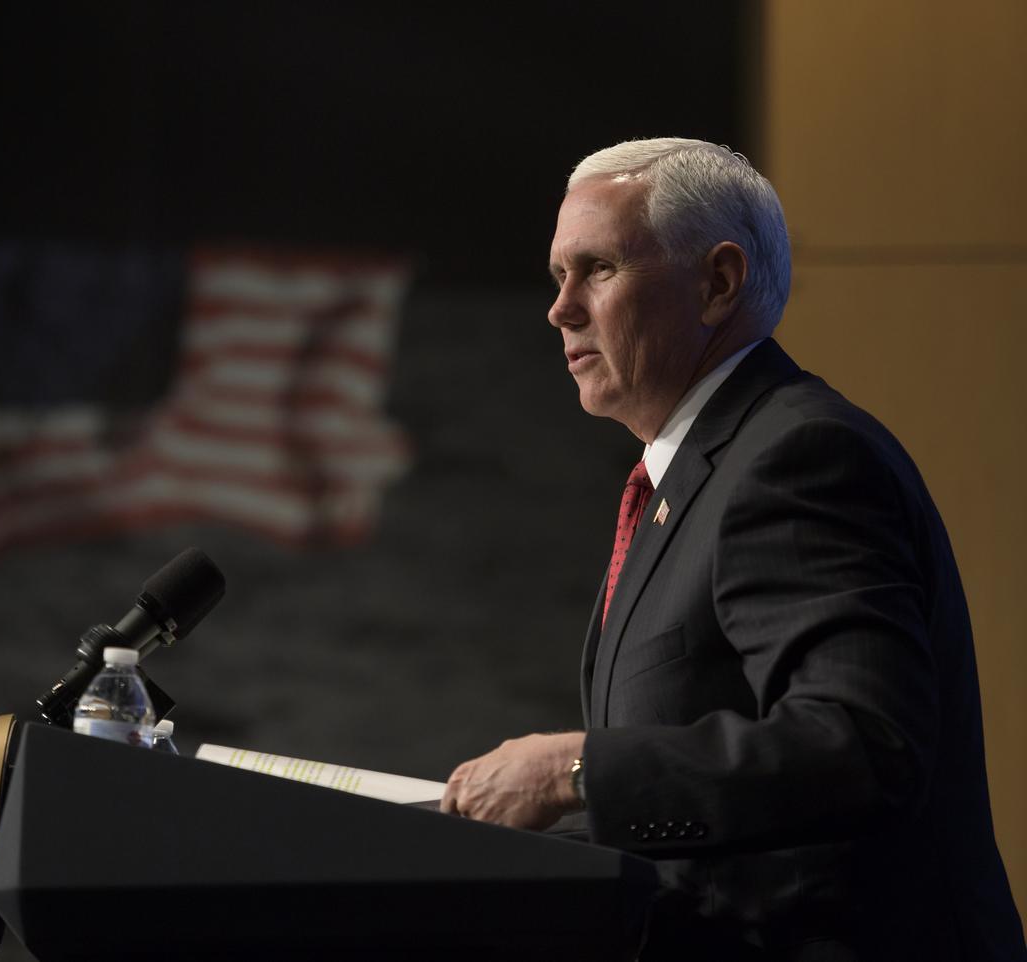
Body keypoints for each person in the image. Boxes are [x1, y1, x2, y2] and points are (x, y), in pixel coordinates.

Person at [439, 138, 1024, 960]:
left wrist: (576, 772)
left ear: (718, 283)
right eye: (556, 277)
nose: (560, 309)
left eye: (598, 269)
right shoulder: (687, 482)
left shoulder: (799, 457)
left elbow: (863, 744)